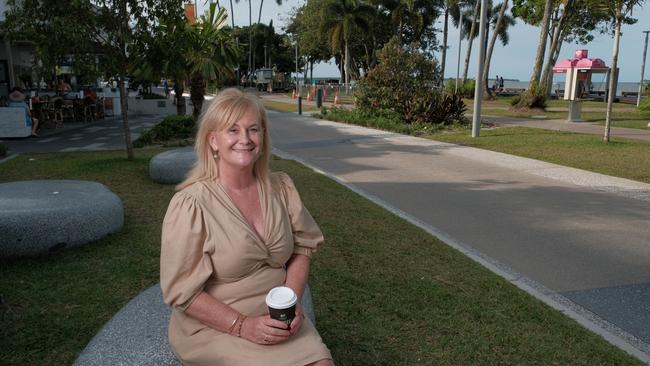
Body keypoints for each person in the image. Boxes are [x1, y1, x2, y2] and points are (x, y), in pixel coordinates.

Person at [160, 88, 333, 366]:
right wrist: (242, 326)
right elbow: (183, 291)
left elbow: (302, 246)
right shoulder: (191, 204)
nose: (245, 139)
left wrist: (292, 301)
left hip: (278, 318)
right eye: (233, 130)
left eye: (253, 129)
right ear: (213, 140)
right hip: (217, 325)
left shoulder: (281, 187)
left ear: (262, 139)